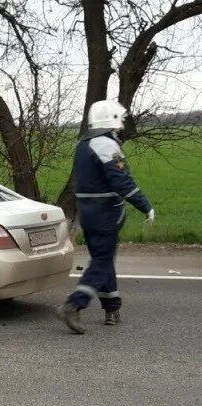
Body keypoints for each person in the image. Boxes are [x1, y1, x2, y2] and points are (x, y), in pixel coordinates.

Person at [57, 100, 154, 334]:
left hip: (87, 213)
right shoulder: (105, 144)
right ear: (111, 118)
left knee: (102, 258)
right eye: (118, 119)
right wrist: (145, 206)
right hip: (105, 213)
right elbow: (121, 180)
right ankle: (74, 303)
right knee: (101, 261)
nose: (121, 124)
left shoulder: (83, 143)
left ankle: (111, 308)